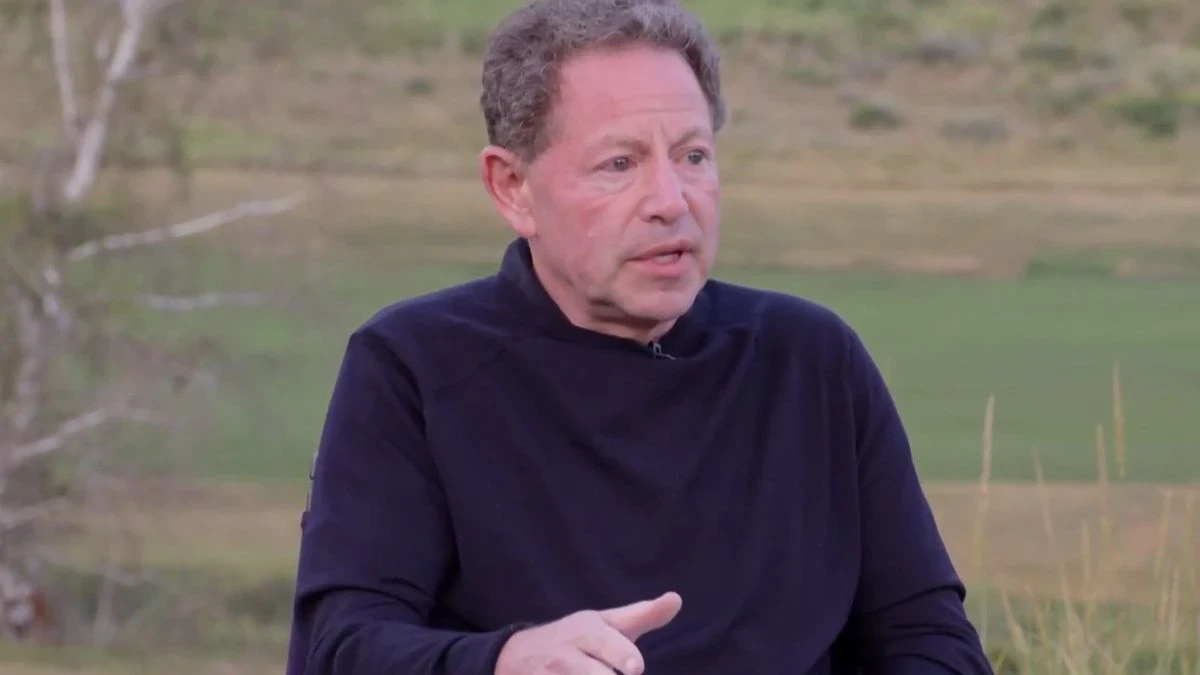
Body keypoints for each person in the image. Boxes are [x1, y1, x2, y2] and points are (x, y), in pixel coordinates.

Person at [284, 0, 994, 673]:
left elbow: (930, 639)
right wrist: (506, 660)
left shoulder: (810, 360)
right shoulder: (414, 366)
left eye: (693, 156)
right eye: (619, 164)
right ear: (513, 187)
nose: (670, 201)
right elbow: (342, 647)